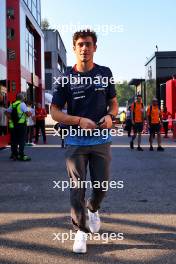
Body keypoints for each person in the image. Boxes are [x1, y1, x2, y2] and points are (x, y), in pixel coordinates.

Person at [51, 29, 118, 253]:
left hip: (100, 140)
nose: (84, 48)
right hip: (75, 142)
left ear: (95, 47)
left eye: (88, 44)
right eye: (80, 44)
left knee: (102, 186)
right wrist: (79, 120)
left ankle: (93, 208)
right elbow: (55, 112)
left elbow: (114, 104)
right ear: (74, 48)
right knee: (76, 188)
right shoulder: (66, 78)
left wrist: (110, 116)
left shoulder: (105, 72)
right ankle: (80, 231)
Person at [6, 93, 32, 161]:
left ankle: (14, 154)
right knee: (21, 140)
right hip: (21, 125)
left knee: (13, 140)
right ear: (22, 98)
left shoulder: (13, 104)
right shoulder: (22, 104)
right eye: (23, 97)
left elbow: (6, 112)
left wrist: (11, 118)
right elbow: (27, 114)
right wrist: (30, 113)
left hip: (13, 125)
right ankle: (21, 154)